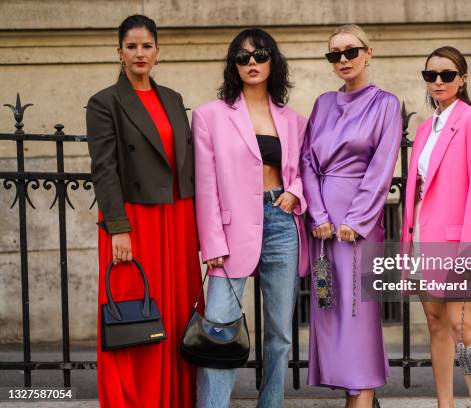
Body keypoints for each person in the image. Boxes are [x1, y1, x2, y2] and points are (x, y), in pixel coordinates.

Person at [86, 14, 200, 408]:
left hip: (178, 217)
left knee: (177, 313)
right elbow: (105, 170)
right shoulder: (104, 103)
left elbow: (186, 163)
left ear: (157, 52)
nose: (139, 53)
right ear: (119, 52)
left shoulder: (172, 99)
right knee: (136, 313)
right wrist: (118, 228)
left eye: (146, 46)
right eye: (131, 46)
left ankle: (176, 397)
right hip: (135, 220)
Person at [192, 28, 308, 408]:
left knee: (280, 333)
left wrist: (296, 192)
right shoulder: (210, 116)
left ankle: (270, 403)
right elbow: (206, 184)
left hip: (280, 221)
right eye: (243, 57)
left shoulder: (293, 120)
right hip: (230, 229)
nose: (252, 63)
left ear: (273, 61)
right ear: (234, 65)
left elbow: (305, 170)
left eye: (259, 55)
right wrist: (211, 242)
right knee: (219, 329)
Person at [301, 24, 402, 408]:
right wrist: (319, 214)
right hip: (323, 224)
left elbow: (381, 168)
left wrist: (355, 221)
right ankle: (353, 392)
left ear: (368, 53)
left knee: (359, 311)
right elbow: (307, 162)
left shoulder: (386, 104)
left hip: (358, 226)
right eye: (334, 54)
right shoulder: (323, 103)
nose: (343, 59)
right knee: (329, 306)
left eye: (351, 51)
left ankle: (361, 395)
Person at [400, 46, 471, 408]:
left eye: (447, 75)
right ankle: (445, 404)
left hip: (458, 243)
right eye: (431, 76)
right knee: (437, 324)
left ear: (463, 78)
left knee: (465, 327)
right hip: (425, 237)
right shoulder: (426, 128)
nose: (438, 82)